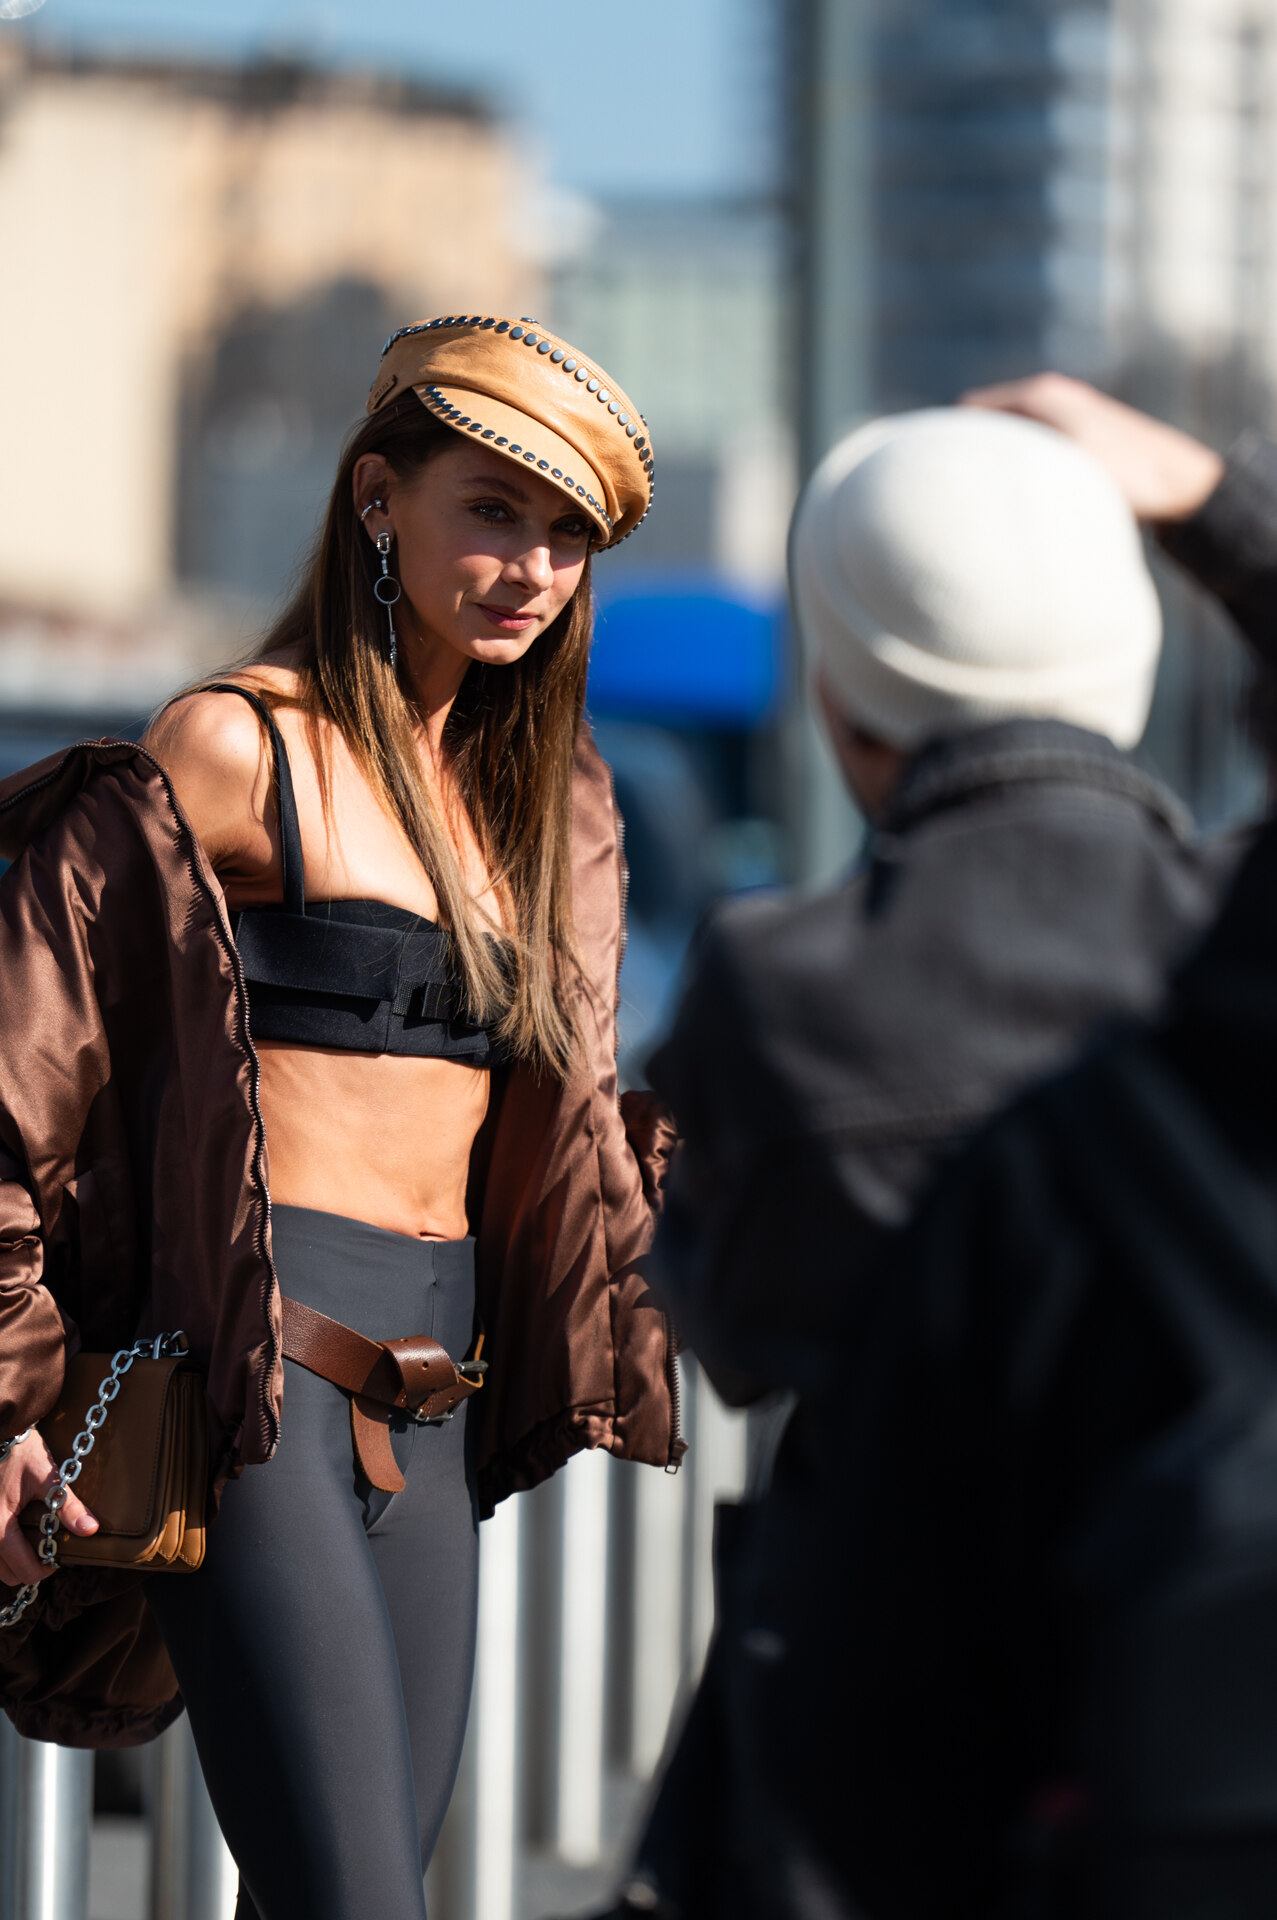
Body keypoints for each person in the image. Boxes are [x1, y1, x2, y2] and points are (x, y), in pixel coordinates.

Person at [0, 315, 680, 1920]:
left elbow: (568, 1135)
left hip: (436, 1397)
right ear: (380, 500)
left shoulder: (541, 801)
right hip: (263, 1386)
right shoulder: (236, 745)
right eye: (492, 511)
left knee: (366, 1891)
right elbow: (24, 1089)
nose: (528, 567)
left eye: (565, 537)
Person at [598, 397, 1269, 1918]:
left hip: (880, 1728)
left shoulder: (783, 981)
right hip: (1194, 1720)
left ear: (839, 701)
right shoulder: (1234, 942)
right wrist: (1219, 504)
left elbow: (743, 1338)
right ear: (1132, 654)